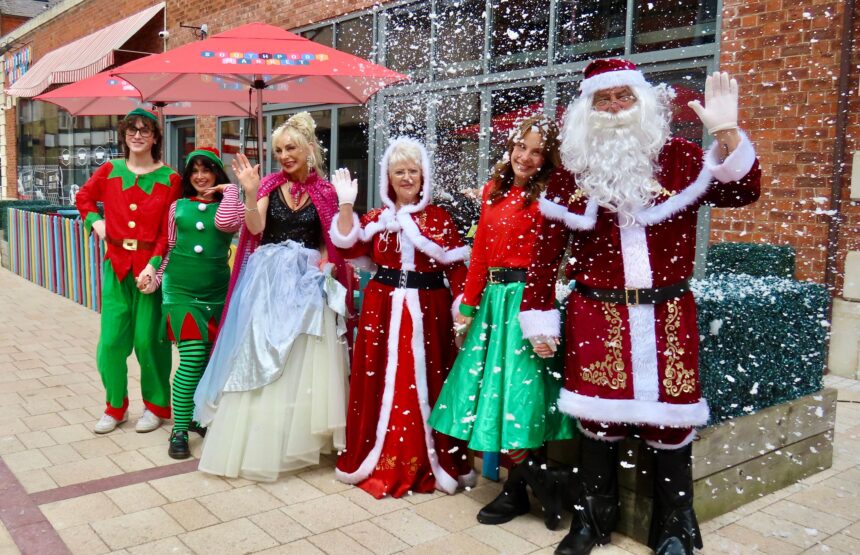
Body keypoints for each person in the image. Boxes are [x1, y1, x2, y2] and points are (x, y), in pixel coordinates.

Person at [519, 60, 761, 555]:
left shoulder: (681, 158)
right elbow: (544, 258)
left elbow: (743, 190)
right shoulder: (570, 176)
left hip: (668, 313)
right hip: (596, 314)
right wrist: (538, 316)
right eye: (602, 101)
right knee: (598, 420)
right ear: (586, 110)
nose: (613, 109)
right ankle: (591, 520)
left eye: (623, 97)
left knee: (671, 420)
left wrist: (729, 134)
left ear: (643, 103)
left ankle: (674, 526)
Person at [429, 115, 574, 529]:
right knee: (496, 394)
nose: (525, 158)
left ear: (547, 159)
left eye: (536, 151)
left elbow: (549, 263)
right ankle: (533, 485)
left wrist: (540, 315)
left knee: (523, 397)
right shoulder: (494, 191)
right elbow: (479, 256)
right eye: (520, 147)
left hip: (528, 304)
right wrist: (469, 305)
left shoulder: (550, 196)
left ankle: (534, 485)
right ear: (509, 147)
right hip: (493, 304)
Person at [193, 112, 352, 481]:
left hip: (308, 285)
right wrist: (250, 193)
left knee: (300, 360)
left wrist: (326, 264)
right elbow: (255, 227)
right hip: (267, 285)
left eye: (291, 147)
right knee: (261, 353)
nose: (284, 155)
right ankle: (259, 439)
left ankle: (291, 437)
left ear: (309, 149)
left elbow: (336, 242)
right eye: (278, 149)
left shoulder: (327, 192)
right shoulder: (267, 185)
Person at [330, 137, 475, 498]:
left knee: (428, 381)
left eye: (413, 171)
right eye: (399, 172)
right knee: (380, 380)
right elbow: (349, 245)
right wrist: (346, 205)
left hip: (430, 311)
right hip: (383, 308)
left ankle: (429, 460)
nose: (407, 178)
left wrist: (462, 309)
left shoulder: (440, 218)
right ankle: (379, 457)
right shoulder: (378, 218)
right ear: (388, 178)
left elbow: (458, 267)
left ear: (423, 176)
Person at [75, 107, 181, 434]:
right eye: (131, 130)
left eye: (144, 130)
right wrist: (97, 223)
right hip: (117, 268)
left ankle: (156, 406)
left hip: (150, 273)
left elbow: (168, 231)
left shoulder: (171, 178)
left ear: (155, 137)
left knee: (149, 343)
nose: (137, 135)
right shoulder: (110, 170)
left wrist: (153, 267)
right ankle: (115, 406)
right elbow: (84, 198)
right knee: (110, 343)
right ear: (124, 135)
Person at [154, 147, 242, 459]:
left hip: (216, 295)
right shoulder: (177, 206)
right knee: (191, 359)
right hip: (180, 292)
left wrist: (231, 190)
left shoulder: (230, 206)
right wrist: (156, 274)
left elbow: (227, 224)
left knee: (206, 362)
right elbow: (171, 245)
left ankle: (195, 416)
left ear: (217, 174)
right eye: (194, 171)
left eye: (207, 170)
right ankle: (179, 430)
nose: (200, 176)